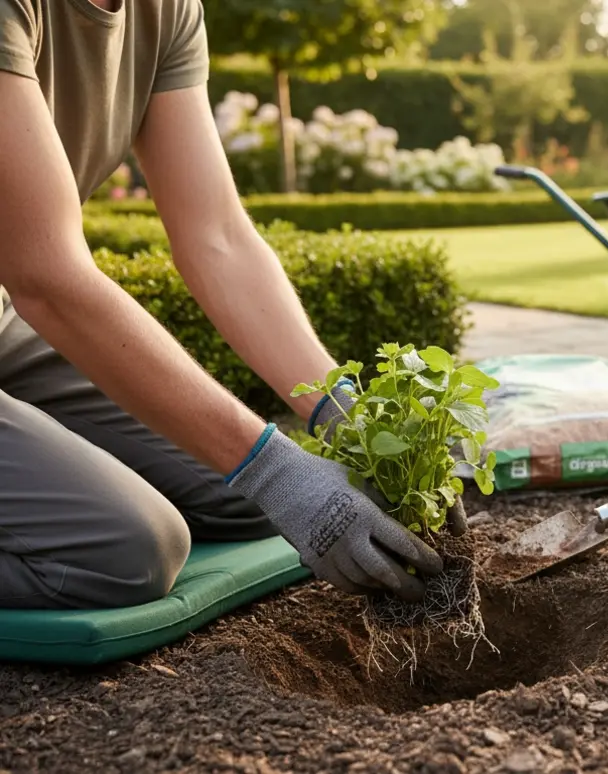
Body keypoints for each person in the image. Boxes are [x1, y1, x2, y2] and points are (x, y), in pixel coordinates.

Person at [0, 0, 445, 610]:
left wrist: (344, 411)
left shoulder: (167, 9)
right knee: (129, 553)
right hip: (26, 298)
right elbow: (48, 275)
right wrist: (273, 470)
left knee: (241, 496)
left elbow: (218, 238)